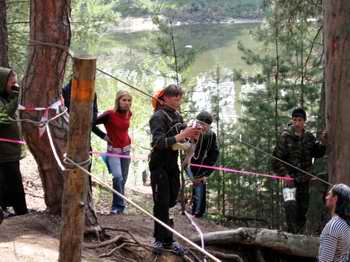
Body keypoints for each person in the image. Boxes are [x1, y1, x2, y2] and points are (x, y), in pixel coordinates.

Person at [149, 84, 201, 256]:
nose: (178, 101)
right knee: (161, 202)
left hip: (172, 166)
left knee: (171, 201)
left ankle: (168, 238)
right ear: (164, 98)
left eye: (179, 98)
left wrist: (194, 133)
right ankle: (160, 239)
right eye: (174, 98)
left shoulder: (177, 115)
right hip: (159, 165)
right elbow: (158, 142)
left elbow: (183, 138)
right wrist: (182, 135)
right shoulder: (158, 116)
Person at [272, 107, 326, 234]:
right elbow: (275, 160)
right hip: (289, 182)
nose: (297, 123)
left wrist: (323, 142)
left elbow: (317, 152)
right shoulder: (285, 137)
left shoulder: (309, 137)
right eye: (295, 119)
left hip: (304, 181)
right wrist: (285, 175)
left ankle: (299, 236)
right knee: (290, 207)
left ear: (304, 121)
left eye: (300, 120)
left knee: (302, 211)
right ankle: (291, 235)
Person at [93, 90, 132, 215]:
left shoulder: (129, 113)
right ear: (118, 101)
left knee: (123, 180)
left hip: (126, 151)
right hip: (113, 152)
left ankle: (120, 206)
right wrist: (103, 136)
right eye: (124, 100)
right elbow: (91, 124)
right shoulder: (109, 114)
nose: (127, 103)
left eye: (129, 100)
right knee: (118, 178)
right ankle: (117, 206)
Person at [0, 67, 28, 216]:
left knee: (10, 183)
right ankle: (20, 212)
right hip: (3, 153)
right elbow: (3, 118)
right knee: (11, 183)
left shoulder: (6, 98)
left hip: (10, 151)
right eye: (12, 83)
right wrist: (16, 99)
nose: (15, 85)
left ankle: (12, 209)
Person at [187, 111, 219, 218]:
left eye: (204, 125)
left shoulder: (211, 136)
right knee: (193, 184)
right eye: (199, 123)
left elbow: (213, 156)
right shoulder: (190, 130)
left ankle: (198, 213)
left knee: (199, 185)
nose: (201, 127)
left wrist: (206, 174)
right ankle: (189, 208)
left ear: (209, 126)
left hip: (202, 168)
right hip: (187, 164)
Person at [319, 184, 350, 262]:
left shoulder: (333, 226)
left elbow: (325, 260)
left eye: (329, 194)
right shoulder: (345, 224)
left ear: (335, 199)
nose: (326, 197)